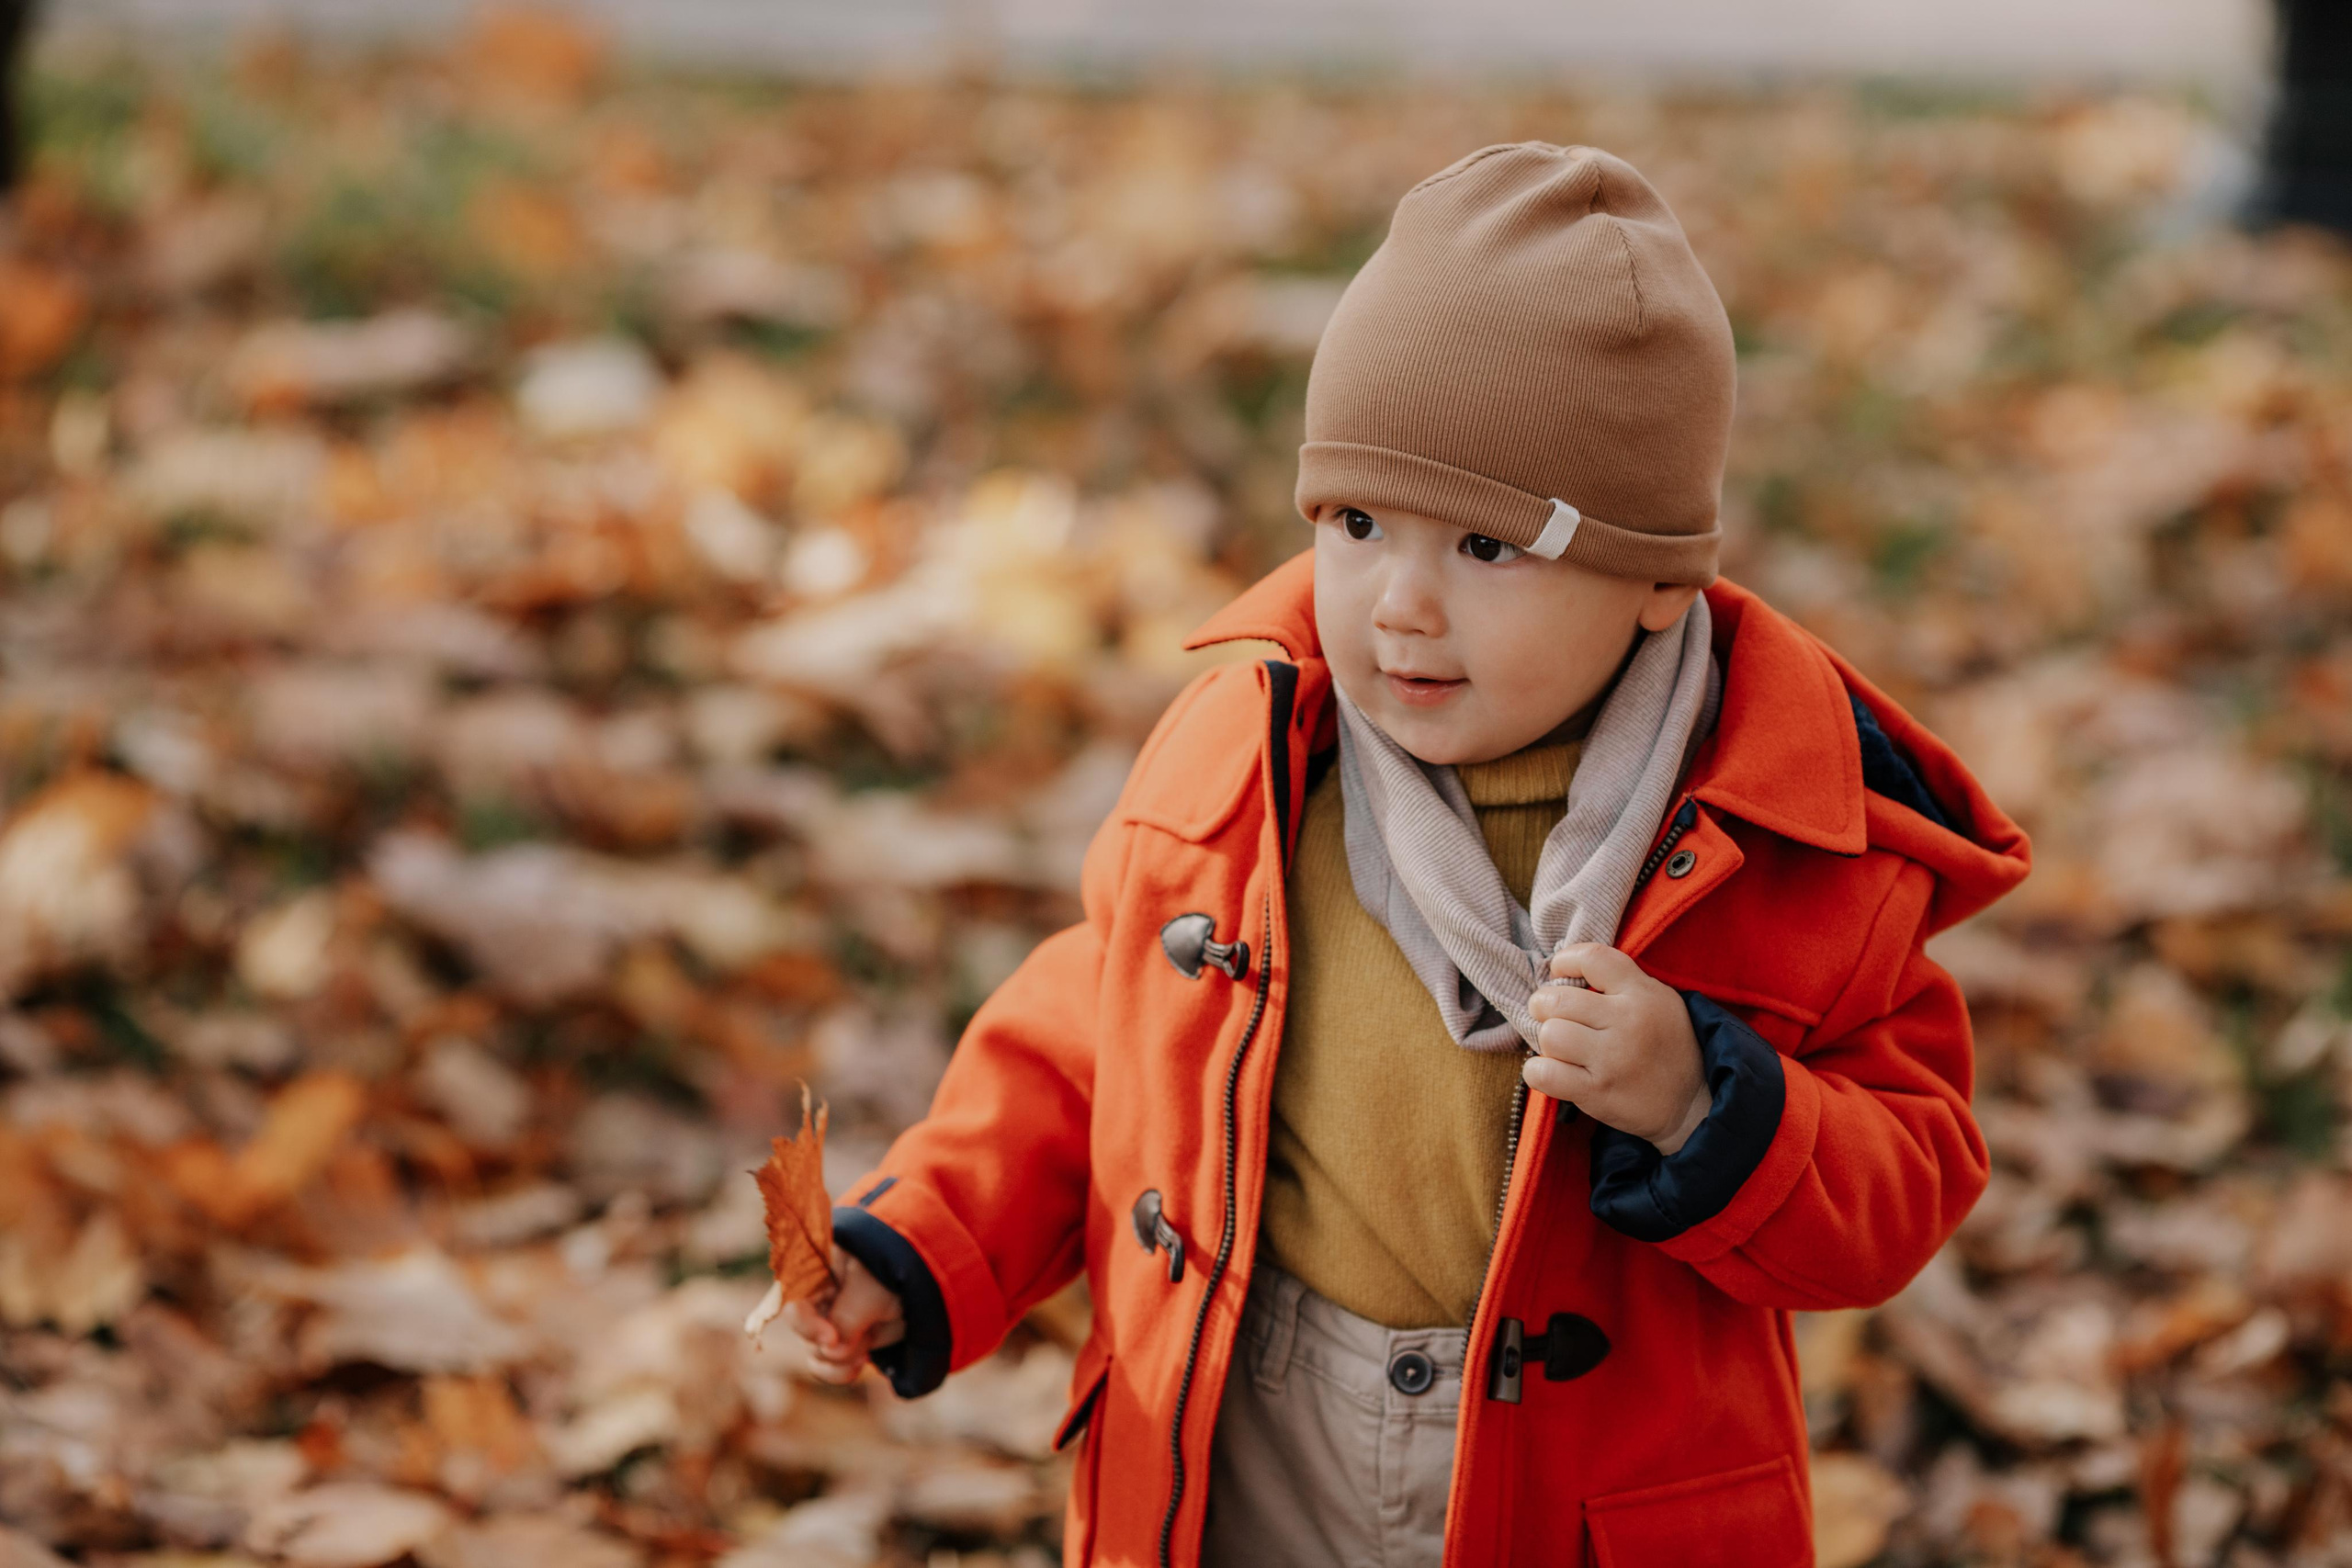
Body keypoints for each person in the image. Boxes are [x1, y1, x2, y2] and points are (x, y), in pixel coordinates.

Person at [783, 143, 2030, 1568]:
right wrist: (930, 1235)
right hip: (1245, 1408)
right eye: (1359, 526)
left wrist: (1705, 1102)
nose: (1403, 609)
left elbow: (1908, 1175)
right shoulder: (1264, 755)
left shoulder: (1783, 847)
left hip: (1570, 1483)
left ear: (1655, 584)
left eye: (1489, 550)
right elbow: (1101, 1032)